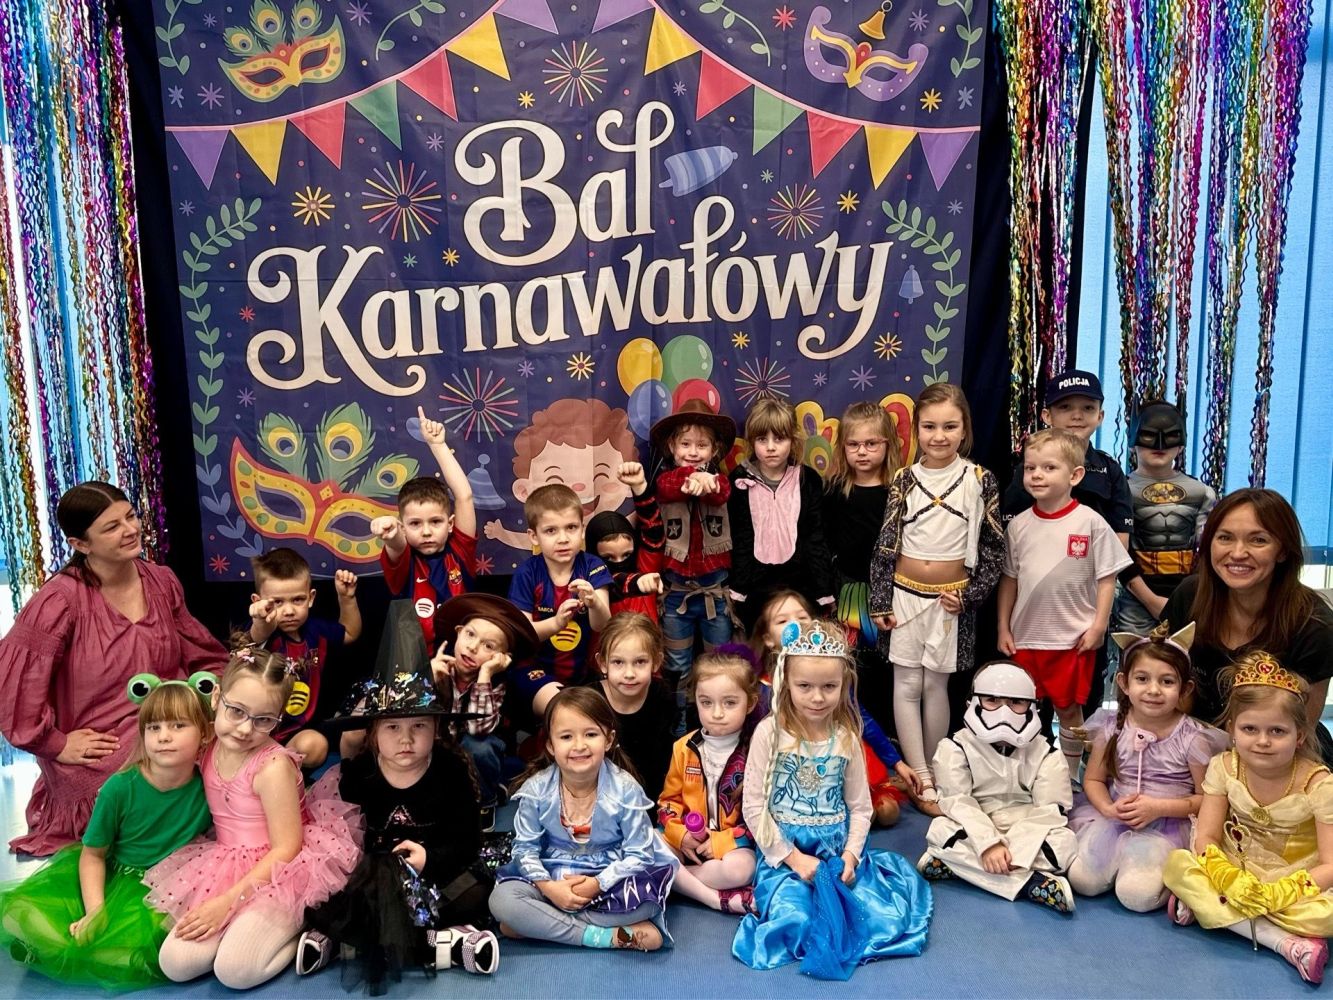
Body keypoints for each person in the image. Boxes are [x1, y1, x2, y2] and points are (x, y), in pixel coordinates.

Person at [0, 481, 227, 856]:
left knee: (237, 746)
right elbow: (15, 687)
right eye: (112, 527)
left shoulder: (161, 581)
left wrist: (215, 696)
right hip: (104, 738)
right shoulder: (58, 601)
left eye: (130, 516)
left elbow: (202, 653)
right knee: (141, 773)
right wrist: (56, 744)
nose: (130, 529)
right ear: (80, 544)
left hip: (170, 717)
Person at [298, 603, 499, 990]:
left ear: (436, 727)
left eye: (419, 726)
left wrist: (429, 859)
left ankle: (359, 943)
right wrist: (373, 867)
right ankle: (438, 944)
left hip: (433, 874)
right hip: (373, 877)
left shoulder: (452, 772)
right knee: (331, 890)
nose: (406, 739)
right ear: (373, 732)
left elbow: (467, 841)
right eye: (392, 727)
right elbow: (341, 840)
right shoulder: (359, 774)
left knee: (477, 892)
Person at [144, 643, 360, 990]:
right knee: (175, 963)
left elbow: (287, 848)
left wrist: (227, 903)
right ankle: (247, 929)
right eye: (236, 711)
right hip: (225, 862)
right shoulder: (208, 744)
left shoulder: (272, 767)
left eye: (263, 720)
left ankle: (313, 928)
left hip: (281, 872)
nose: (245, 729)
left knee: (235, 970)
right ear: (217, 698)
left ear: (279, 718)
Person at [733, 619, 932, 977]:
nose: (817, 697)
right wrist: (794, 859)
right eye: (804, 686)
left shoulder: (846, 737)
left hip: (835, 850)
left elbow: (860, 807)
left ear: (844, 684)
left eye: (829, 686)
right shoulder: (769, 733)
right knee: (795, 921)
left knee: (872, 916)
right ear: (786, 683)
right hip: (785, 854)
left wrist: (851, 856)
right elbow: (754, 806)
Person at [0, 676, 215, 989]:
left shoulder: (208, 785)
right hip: (112, 877)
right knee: (24, 914)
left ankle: (59, 950)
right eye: (154, 727)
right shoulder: (119, 788)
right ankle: (56, 945)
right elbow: (93, 856)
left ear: (205, 733)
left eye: (178, 726)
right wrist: (96, 911)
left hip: (166, 885)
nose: (163, 737)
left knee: (151, 946)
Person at [868, 383, 1005, 804]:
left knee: (936, 686)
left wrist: (970, 597)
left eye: (949, 426)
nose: (939, 436)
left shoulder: (980, 479)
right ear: (916, 430)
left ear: (965, 429)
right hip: (904, 595)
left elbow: (993, 548)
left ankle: (935, 768)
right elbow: (886, 543)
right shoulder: (904, 479)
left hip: (950, 601)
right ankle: (920, 776)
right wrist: (880, 600)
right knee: (906, 682)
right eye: (929, 426)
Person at [1163, 653, 1333, 985]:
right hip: (1236, 868)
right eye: (1250, 729)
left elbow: (1330, 864)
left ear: (1299, 735)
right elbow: (1207, 837)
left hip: (1296, 877)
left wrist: (1280, 892)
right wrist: (1227, 877)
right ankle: (1287, 944)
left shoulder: (1320, 784)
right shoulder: (1224, 767)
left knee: (1325, 915)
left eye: (1277, 731)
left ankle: (1213, 911)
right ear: (1232, 729)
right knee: (1177, 866)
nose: (1263, 741)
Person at [1001, 370, 1157, 715]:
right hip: (1033, 617)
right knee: (1027, 703)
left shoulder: (1109, 471)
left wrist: (1101, 614)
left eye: (1087, 408)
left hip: (1083, 609)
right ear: (1047, 415)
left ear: (1100, 416)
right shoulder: (1027, 469)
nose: (1076, 416)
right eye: (1065, 407)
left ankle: (1080, 751)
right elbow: (1013, 550)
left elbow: (1117, 549)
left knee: (1081, 703)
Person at [488, 687, 679, 952]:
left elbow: (639, 854)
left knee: (646, 902)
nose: (579, 745)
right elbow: (525, 849)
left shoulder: (626, 789)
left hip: (609, 879)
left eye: (590, 734)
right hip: (552, 878)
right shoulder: (537, 789)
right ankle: (597, 936)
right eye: (566, 737)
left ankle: (539, 924)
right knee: (502, 900)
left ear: (609, 740)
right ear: (551, 745)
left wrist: (598, 884)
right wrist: (550, 888)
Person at [997, 429, 1133, 776]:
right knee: (1020, 709)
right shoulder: (1018, 526)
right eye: (1030, 468)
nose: (1037, 475)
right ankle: (1024, 774)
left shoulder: (1091, 522)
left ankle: (1069, 777)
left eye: (1049, 468)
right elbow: (1009, 580)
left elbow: (1107, 578)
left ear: (1075, 475)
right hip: (1026, 638)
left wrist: (1099, 626)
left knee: (1070, 711)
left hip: (1072, 640)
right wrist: (1003, 627)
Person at [1067, 623, 1227, 911]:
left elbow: (1207, 799)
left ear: (1185, 688)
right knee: (1082, 881)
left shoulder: (1193, 739)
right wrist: (1108, 809)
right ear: (1124, 683)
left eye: (1167, 682)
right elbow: (1093, 780)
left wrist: (1158, 808)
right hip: (1114, 822)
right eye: (1142, 679)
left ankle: (1176, 891)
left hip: (1169, 826)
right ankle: (1125, 864)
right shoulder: (1111, 728)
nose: (1153, 690)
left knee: (1136, 896)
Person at [1160, 488, 1333, 748]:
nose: (1238, 552)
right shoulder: (1189, 597)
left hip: (1275, 755)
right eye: (1225, 538)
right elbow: (1160, 688)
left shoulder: (1315, 625)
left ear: (1283, 551)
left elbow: (1302, 731)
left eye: (1258, 540)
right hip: (1192, 748)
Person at [917, 661, 1078, 913]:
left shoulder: (1047, 753)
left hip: (1026, 826)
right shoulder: (954, 748)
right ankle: (1029, 884)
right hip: (976, 823)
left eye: (1016, 702)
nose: (1004, 711)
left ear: (1032, 706)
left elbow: (1050, 810)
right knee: (940, 831)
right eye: (992, 700)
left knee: (1065, 845)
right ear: (973, 703)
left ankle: (958, 867)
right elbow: (957, 802)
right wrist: (988, 843)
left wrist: (1014, 849)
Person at [751, 588, 919, 824]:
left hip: (833, 755)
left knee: (888, 812)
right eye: (783, 620)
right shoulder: (763, 686)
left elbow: (861, 718)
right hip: (791, 763)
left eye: (802, 617)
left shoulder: (830, 672)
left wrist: (897, 762)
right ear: (767, 638)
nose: (795, 625)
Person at [651, 399, 737, 729]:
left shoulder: (721, 481)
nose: (693, 451)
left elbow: (720, 492)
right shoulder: (666, 481)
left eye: (702, 445)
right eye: (685, 444)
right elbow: (671, 487)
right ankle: (679, 730)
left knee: (719, 663)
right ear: (672, 448)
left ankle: (718, 726)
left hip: (715, 593)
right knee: (677, 666)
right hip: (676, 596)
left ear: (714, 450)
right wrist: (692, 477)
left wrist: (707, 481)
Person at [822, 400, 902, 756]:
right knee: (855, 667)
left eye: (871, 444)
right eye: (853, 444)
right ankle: (856, 740)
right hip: (850, 592)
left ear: (888, 444)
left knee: (889, 667)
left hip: (893, 592)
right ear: (843, 447)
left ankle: (891, 743)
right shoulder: (834, 491)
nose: (862, 452)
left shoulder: (899, 491)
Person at [658, 651, 760, 914]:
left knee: (742, 869)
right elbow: (668, 803)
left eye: (730, 703)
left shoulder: (756, 750)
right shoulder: (683, 747)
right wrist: (680, 835)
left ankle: (676, 879)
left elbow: (762, 816)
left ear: (750, 703)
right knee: (648, 841)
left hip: (732, 847)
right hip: (688, 843)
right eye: (706, 702)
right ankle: (713, 897)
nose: (716, 713)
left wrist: (722, 842)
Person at [428, 593, 539, 829]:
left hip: (474, 749)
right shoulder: (435, 669)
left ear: (501, 658)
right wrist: (427, 681)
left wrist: (485, 674)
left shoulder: (496, 683)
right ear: (458, 632)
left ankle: (485, 801)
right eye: (470, 635)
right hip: (440, 747)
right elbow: (412, 717)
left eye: (488, 646)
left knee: (479, 746)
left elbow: (478, 729)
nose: (473, 647)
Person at [506, 484, 613, 723]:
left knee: (599, 712)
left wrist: (594, 603)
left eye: (571, 528)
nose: (563, 539)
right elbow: (522, 634)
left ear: (582, 530)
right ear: (534, 536)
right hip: (533, 670)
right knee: (566, 711)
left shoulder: (593, 566)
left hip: (584, 673)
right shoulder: (527, 573)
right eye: (551, 530)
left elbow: (602, 625)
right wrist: (556, 623)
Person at [371, 405, 477, 648]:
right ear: (403, 527)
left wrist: (438, 445)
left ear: (450, 524)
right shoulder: (404, 561)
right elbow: (396, 543)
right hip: (418, 661)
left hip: (464, 656)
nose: (426, 531)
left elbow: (464, 496)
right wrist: (390, 532)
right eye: (415, 524)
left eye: (436, 521)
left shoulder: (460, 550)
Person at [246, 547, 361, 770]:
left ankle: (282, 773)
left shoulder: (315, 631)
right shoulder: (265, 633)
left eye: (298, 599)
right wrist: (260, 619)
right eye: (277, 602)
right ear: (258, 601)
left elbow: (350, 633)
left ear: (311, 598)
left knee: (316, 746)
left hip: (294, 737)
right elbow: (255, 636)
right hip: (254, 732)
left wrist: (346, 598)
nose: (289, 610)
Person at [728, 397, 836, 625]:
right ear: (751, 441)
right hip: (755, 587)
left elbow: (815, 538)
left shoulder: (808, 480)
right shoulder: (738, 480)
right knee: (761, 639)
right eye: (762, 439)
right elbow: (740, 538)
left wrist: (823, 590)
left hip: (799, 584)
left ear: (793, 439)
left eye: (779, 438)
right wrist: (737, 589)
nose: (770, 447)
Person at [1116, 402, 1217, 636]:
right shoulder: (1119, 491)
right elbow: (1116, 552)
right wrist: (1148, 599)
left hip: (1190, 596)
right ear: (1133, 439)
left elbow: (1208, 551)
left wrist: (1194, 594)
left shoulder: (1202, 492)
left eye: (1170, 436)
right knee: (1136, 656)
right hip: (1135, 600)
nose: (1160, 445)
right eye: (1149, 435)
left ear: (1181, 442)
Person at [589, 614, 675, 804]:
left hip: (652, 796)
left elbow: (664, 759)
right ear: (602, 663)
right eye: (618, 662)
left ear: (656, 662)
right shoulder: (590, 701)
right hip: (603, 798)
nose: (629, 673)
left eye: (640, 662)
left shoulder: (662, 695)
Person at [585, 462, 665, 621]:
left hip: (647, 637)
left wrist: (639, 487)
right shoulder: (591, 577)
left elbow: (653, 530)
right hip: (606, 637)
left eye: (626, 554)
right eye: (609, 557)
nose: (619, 562)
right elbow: (613, 582)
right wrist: (638, 582)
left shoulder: (645, 567)